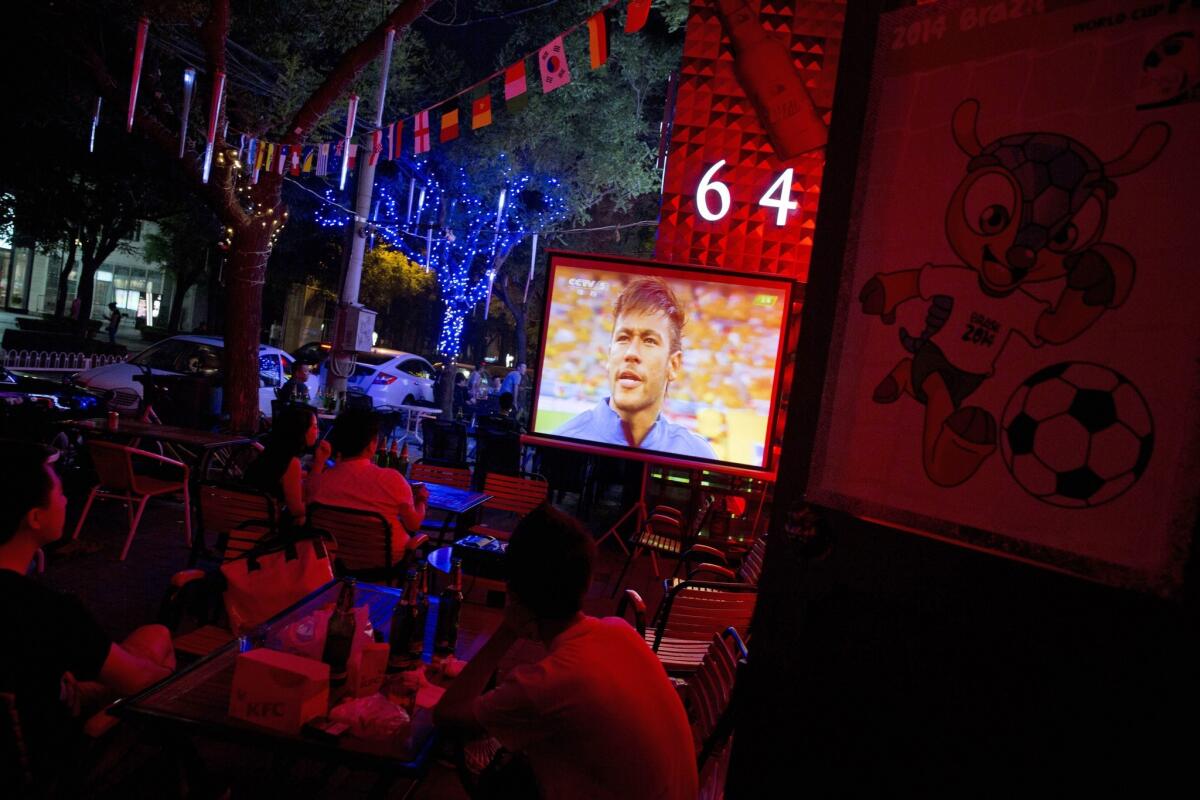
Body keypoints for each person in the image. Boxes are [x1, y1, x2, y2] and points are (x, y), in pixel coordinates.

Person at [434, 505, 698, 800]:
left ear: (514, 588)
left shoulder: (546, 684)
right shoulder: (620, 631)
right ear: (584, 581)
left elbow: (448, 716)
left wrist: (507, 629)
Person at [0, 442, 176, 783]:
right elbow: (138, 680)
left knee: (155, 636)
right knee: (159, 659)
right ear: (34, 518)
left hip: (27, 723)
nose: (65, 501)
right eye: (61, 494)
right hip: (50, 766)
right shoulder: (46, 612)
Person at [554, 277, 717, 459]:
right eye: (623, 338)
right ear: (609, 356)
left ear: (673, 365)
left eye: (649, 341)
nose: (631, 353)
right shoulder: (562, 441)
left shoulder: (697, 455)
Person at [307, 408, 429, 561]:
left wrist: (319, 461)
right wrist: (421, 500)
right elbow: (414, 524)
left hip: (332, 561)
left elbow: (308, 492)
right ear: (372, 444)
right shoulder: (392, 480)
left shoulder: (319, 481)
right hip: (384, 562)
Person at [244, 405, 329, 525]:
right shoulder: (291, 462)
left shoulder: (272, 452)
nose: (318, 431)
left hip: (244, 520)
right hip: (263, 528)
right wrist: (322, 510)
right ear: (301, 431)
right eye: (314, 427)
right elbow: (296, 510)